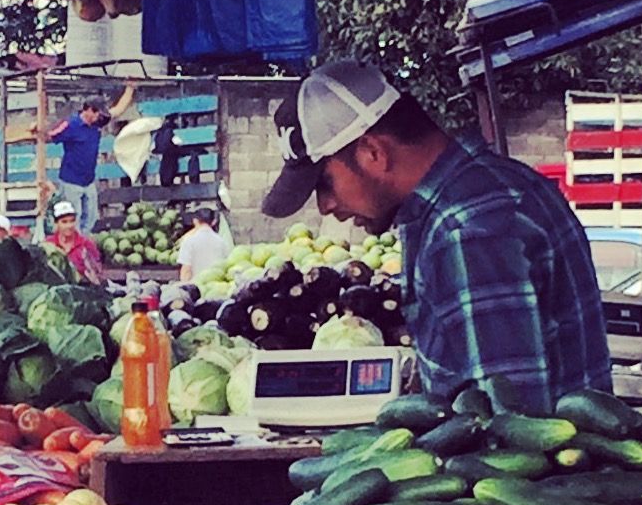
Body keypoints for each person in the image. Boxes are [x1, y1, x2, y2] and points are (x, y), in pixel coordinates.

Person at [263, 59, 609, 414]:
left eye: (324, 183)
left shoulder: (465, 231)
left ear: (372, 153)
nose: (325, 206)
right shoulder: (492, 188)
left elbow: (507, 424)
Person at [41, 96, 109, 233]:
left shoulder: (96, 125)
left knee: (91, 218)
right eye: (97, 113)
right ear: (89, 110)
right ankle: (72, 245)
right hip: (71, 181)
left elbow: (117, 110)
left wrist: (129, 89)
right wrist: (38, 130)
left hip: (88, 181)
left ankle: (83, 243)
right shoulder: (71, 125)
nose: (99, 116)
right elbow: (50, 135)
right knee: (72, 220)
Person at [48, 200, 106, 285]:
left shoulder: (86, 244)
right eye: (64, 222)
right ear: (56, 223)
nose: (69, 225)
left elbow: (97, 269)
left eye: (72, 221)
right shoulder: (49, 244)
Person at [176, 202, 231, 284]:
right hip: (215, 286)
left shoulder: (188, 241)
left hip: (196, 287)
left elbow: (186, 271)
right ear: (214, 221)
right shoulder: (222, 242)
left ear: (195, 221)